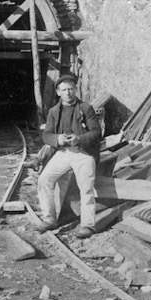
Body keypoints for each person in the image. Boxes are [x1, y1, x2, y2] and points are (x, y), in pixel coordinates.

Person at [36, 74, 101, 238]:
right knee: (44, 179)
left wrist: (79, 139)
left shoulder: (86, 108)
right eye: (64, 90)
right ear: (58, 92)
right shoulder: (54, 111)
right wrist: (57, 139)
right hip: (63, 152)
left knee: (86, 188)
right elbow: (46, 135)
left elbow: (96, 133)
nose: (68, 93)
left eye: (71, 89)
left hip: (83, 153)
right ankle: (50, 219)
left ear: (75, 90)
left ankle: (88, 225)